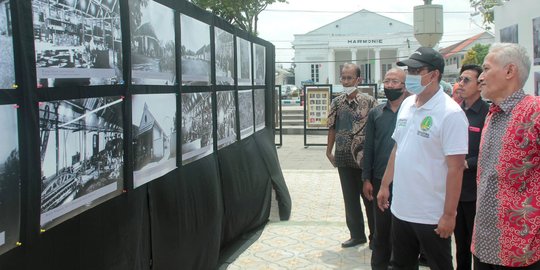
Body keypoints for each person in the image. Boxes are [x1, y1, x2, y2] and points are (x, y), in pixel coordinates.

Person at [376, 47, 469, 270]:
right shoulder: (408, 104)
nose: (410, 75)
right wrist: (385, 185)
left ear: (434, 74)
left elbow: (456, 169)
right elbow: (397, 148)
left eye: (417, 70)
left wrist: (449, 215)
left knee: (439, 265)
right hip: (401, 209)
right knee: (400, 265)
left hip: (431, 215)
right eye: (409, 70)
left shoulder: (450, 113)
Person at [472, 43, 540, 269]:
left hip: (521, 250)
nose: (480, 77)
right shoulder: (492, 114)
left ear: (509, 71)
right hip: (483, 243)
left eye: (486, 69)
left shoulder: (535, 111)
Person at [327, 63, 376, 248]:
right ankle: (357, 235)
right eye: (343, 77)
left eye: (350, 78)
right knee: (350, 199)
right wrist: (328, 150)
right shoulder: (336, 102)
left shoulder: (370, 102)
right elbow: (331, 127)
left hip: (364, 159)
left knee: (369, 199)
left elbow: (376, 130)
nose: (346, 81)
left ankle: (375, 237)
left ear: (359, 80)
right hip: (343, 157)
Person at [362, 68, 407, 269]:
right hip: (380, 181)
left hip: (407, 181)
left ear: (405, 85)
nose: (389, 85)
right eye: (387, 81)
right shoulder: (376, 113)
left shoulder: (412, 111)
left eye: (395, 81)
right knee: (381, 230)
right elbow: (369, 147)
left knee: (403, 232)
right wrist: (367, 178)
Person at [454, 64, 489, 270]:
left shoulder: (487, 113)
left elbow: (490, 151)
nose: (461, 83)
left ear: (479, 84)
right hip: (455, 189)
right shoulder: (456, 111)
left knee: (476, 245)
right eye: (460, 79)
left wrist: (468, 163)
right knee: (460, 244)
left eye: (467, 79)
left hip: (475, 192)